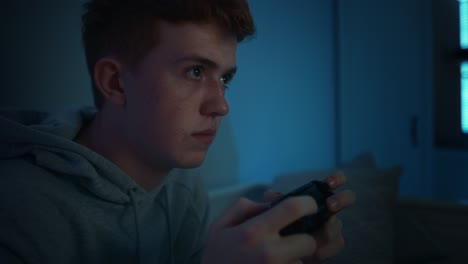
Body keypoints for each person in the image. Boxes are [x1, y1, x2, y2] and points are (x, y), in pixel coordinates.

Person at [0, 0, 356, 263]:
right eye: (196, 72)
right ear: (116, 82)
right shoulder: (17, 211)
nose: (221, 105)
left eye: (225, 78)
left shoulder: (184, 191)